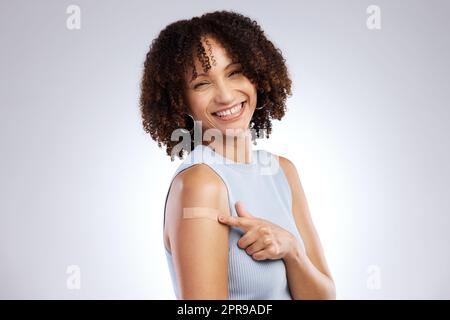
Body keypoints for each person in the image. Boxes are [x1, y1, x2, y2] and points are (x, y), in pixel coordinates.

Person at [139, 10, 336, 299]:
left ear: (257, 74)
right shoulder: (200, 185)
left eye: (235, 72)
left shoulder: (282, 171)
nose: (226, 96)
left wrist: (292, 250)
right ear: (180, 101)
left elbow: (326, 296)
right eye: (202, 83)